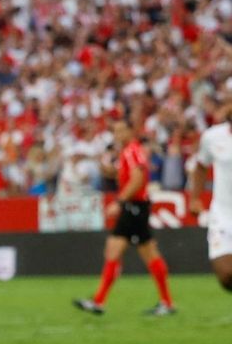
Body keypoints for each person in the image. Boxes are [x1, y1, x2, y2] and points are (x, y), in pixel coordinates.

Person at [74, 121, 176, 316]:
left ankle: (100, 301)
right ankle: (100, 301)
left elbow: (138, 179)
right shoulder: (127, 152)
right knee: (124, 250)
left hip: (134, 207)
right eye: (115, 130)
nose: (117, 134)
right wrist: (108, 171)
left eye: (121, 130)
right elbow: (129, 175)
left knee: (133, 252)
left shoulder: (133, 150)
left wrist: (119, 202)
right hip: (134, 207)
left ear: (131, 131)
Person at [189, 105, 232, 292]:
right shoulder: (212, 137)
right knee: (225, 275)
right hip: (222, 215)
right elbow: (200, 166)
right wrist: (195, 198)